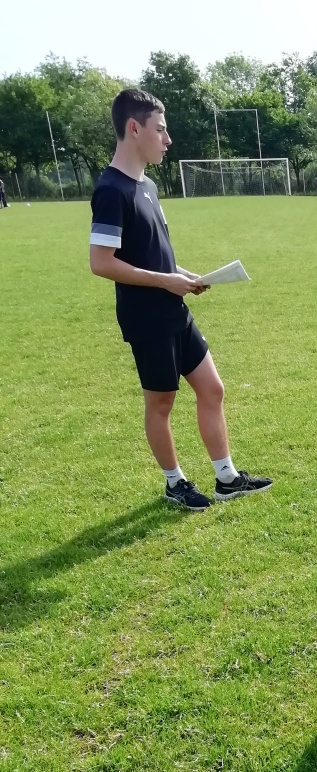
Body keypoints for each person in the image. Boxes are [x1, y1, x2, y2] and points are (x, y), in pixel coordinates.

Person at [89, 89, 271, 510]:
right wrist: (165, 281)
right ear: (134, 128)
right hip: (146, 317)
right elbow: (101, 262)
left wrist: (185, 276)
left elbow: (153, 252)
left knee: (212, 389)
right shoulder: (111, 190)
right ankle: (175, 483)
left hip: (174, 308)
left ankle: (227, 478)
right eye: (160, 129)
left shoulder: (148, 186)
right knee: (162, 403)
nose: (168, 139)